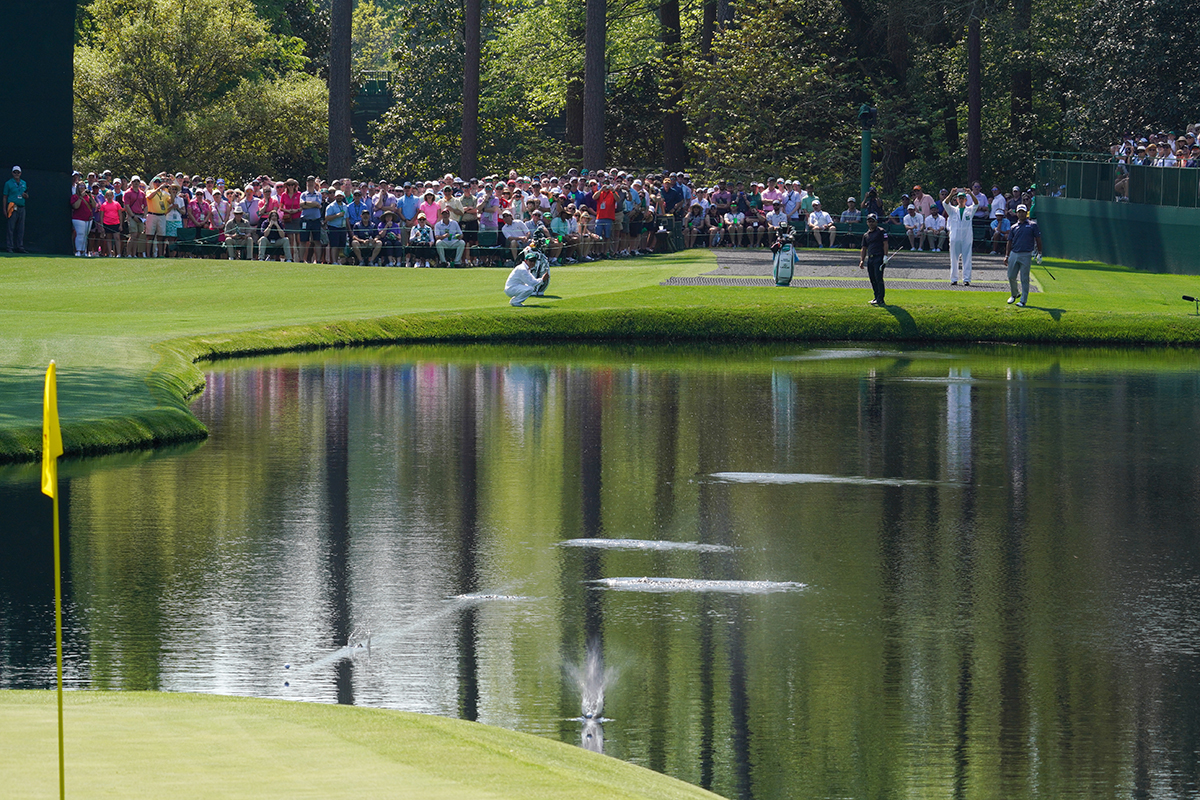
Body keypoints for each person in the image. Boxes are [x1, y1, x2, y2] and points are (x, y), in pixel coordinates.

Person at [1004, 203, 1041, 307]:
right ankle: (1014, 294)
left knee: (1024, 278)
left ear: (1026, 213)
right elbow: (1009, 242)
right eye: (1019, 212)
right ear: (1017, 213)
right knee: (1011, 276)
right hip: (1014, 254)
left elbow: (1038, 239)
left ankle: (1023, 300)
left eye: (1023, 212)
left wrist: (1040, 253)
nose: (1021, 214)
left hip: (1026, 254)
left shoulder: (1032, 225)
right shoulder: (1013, 227)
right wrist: (1007, 255)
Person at [945, 188, 977, 285]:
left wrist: (971, 193)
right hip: (955, 238)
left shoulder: (970, 210)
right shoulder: (952, 210)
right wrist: (951, 193)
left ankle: (966, 279)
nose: (961, 199)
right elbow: (945, 203)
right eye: (959, 198)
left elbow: (976, 203)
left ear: (966, 200)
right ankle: (954, 279)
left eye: (963, 198)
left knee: (967, 258)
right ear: (957, 200)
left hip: (966, 238)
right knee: (954, 259)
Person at [858, 213, 889, 306]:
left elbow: (885, 244)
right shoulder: (866, 235)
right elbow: (864, 248)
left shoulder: (881, 231)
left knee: (878, 278)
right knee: (872, 279)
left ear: (876, 222)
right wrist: (862, 260)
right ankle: (876, 297)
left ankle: (880, 299)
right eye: (869, 221)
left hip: (879, 257)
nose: (871, 223)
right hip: (870, 259)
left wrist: (885, 256)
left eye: (872, 221)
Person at [5, 166, 28, 252]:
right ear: (12, 173)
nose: (16, 174)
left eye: (18, 172)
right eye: (15, 172)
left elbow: (26, 194)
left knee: (21, 228)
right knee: (11, 227)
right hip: (12, 206)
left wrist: (26, 196)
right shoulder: (8, 183)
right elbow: (5, 196)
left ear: (20, 173)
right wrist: (4, 209)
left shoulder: (23, 183)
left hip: (22, 207)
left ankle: (20, 246)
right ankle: (9, 246)